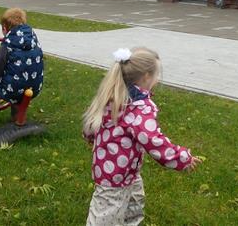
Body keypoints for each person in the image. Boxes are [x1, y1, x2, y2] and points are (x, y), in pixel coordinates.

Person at [82, 47, 200, 226]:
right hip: (113, 177)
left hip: (126, 171)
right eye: (156, 75)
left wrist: (90, 138)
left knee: (134, 205)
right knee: (104, 215)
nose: (157, 79)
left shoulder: (114, 94)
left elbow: (92, 124)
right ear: (146, 77)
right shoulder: (138, 109)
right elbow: (153, 140)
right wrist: (181, 158)